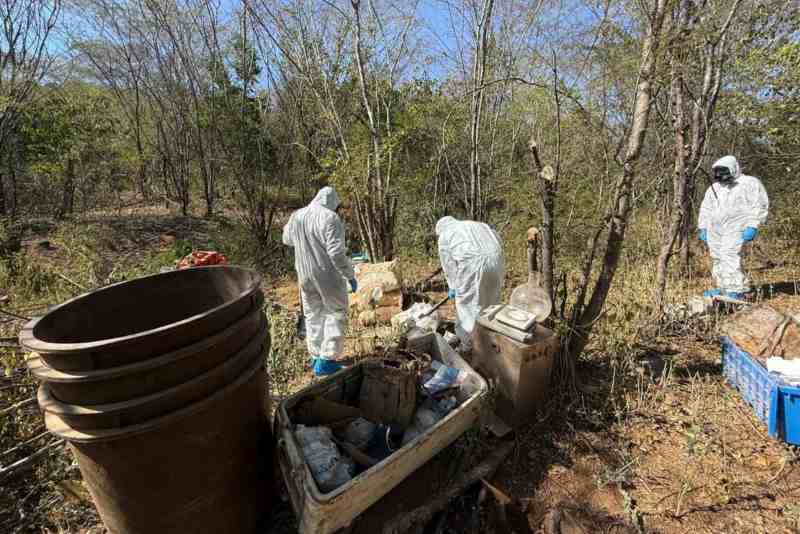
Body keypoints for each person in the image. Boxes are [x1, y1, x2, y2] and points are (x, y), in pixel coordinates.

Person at [283, 186, 358, 377]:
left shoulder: (297, 215)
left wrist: (306, 239)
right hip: (326, 274)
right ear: (332, 202)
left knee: (312, 313)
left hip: (304, 274)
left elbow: (287, 239)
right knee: (336, 312)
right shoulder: (330, 218)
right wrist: (349, 274)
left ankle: (316, 356)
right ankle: (327, 358)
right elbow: (335, 253)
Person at [698, 155, 769, 300]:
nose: (720, 175)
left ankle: (737, 289)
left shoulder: (749, 183)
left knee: (729, 254)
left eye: (723, 171)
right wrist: (703, 227)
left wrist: (753, 225)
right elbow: (706, 208)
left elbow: (759, 204)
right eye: (717, 172)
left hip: (737, 226)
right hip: (715, 228)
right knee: (717, 256)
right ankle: (723, 287)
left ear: (733, 169)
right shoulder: (715, 188)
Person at [436, 216, 505, 348]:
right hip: (497, 260)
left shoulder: (445, 235)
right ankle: (492, 340)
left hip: (473, 264)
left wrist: (453, 286)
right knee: (492, 302)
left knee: (467, 305)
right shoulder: (477, 224)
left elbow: (449, 265)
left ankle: (468, 345)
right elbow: (497, 238)